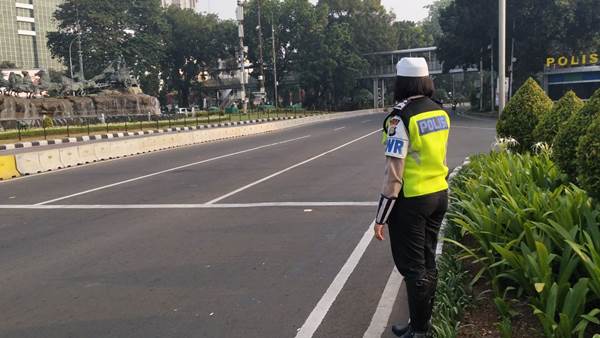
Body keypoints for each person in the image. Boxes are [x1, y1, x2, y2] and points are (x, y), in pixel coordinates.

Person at [373, 57, 450, 338]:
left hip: (413, 201)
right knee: (428, 262)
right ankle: (420, 324)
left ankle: (419, 332)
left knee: (413, 268)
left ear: (401, 83)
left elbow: (394, 173)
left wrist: (381, 217)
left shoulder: (399, 118)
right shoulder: (439, 112)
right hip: (439, 194)